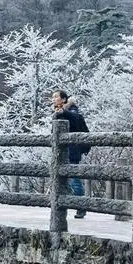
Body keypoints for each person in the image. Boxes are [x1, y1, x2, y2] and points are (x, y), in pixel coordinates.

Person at [52, 89, 90, 219]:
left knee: (74, 180)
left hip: (72, 151)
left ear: (64, 99)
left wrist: (64, 112)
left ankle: (81, 207)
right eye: (53, 97)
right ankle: (65, 205)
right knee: (65, 180)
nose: (53, 99)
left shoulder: (72, 111)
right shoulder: (60, 112)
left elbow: (75, 118)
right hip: (64, 151)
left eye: (56, 97)